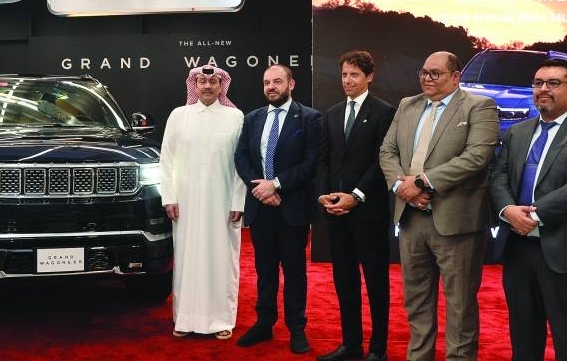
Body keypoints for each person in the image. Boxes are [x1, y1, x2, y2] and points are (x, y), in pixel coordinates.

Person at [489, 57, 567, 360]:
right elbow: (498, 176)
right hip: (518, 250)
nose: (543, 89)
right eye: (538, 83)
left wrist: (533, 215)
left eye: (553, 83)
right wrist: (508, 210)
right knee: (524, 338)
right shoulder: (517, 132)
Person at [378, 51, 499, 360]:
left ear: (456, 77)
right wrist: (401, 188)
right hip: (411, 219)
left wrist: (421, 182)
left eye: (435, 74)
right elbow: (387, 151)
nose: (426, 79)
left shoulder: (478, 106)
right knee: (416, 301)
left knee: (459, 305)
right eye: (423, 72)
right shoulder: (408, 105)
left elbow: (476, 157)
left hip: (457, 222)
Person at [234, 64, 322, 354]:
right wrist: (261, 189)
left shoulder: (309, 118)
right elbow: (242, 157)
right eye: (267, 82)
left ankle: (296, 328)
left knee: (294, 270)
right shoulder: (252, 118)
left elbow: (311, 163)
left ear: (291, 84)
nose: (271, 87)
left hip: (291, 207)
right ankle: (264, 323)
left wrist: (277, 185)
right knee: (265, 269)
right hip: (262, 208)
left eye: (277, 82)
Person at [317, 51, 394, 361]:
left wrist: (357, 195)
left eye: (354, 75)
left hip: (368, 213)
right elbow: (324, 159)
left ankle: (378, 350)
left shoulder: (384, 112)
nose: (347, 81)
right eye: (345, 75)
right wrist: (325, 194)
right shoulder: (332, 113)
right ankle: (351, 346)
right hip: (335, 212)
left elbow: (382, 162)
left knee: (376, 283)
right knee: (344, 281)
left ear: (369, 77)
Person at [160, 65, 246, 340]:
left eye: (213, 81)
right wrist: (169, 196)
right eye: (202, 81)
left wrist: (238, 200)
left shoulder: (235, 116)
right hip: (185, 204)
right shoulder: (179, 116)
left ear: (222, 86)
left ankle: (222, 319)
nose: (207, 86)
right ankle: (184, 319)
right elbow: (167, 160)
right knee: (187, 259)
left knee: (222, 260)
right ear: (193, 86)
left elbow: (241, 164)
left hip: (223, 204)